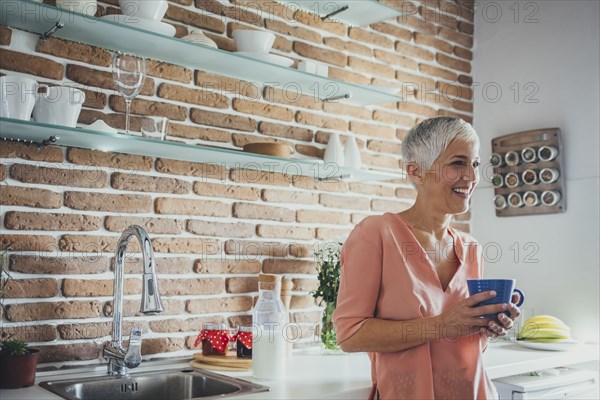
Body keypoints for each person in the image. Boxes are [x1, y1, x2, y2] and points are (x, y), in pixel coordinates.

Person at [333, 117, 521, 399]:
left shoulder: (471, 248)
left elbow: (469, 346)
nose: (471, 177)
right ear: (416, 172)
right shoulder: (376, 234)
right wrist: (442, 325)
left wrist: (488, 328)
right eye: (458, 163)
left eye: (475, 164)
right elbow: (349, 335)